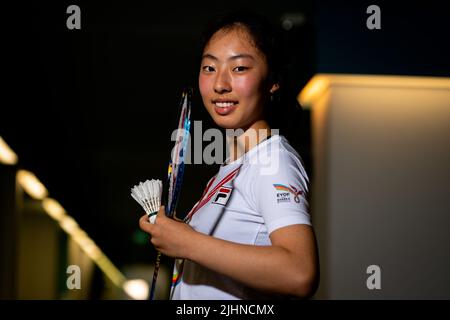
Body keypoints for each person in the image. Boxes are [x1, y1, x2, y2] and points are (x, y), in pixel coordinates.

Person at [139, 10, 319, 300]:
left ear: (273, 80)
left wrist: (188, 243)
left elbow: (300, 273)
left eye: (239, 69)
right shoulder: (229, 170)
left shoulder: (272, 160)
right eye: (209, 68)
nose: (220, 84)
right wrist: (176, 234)